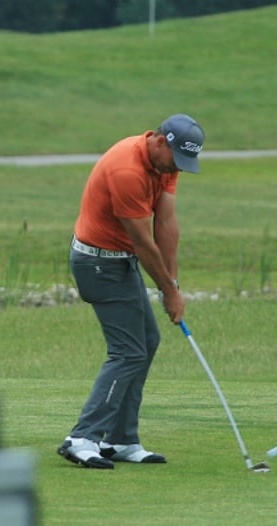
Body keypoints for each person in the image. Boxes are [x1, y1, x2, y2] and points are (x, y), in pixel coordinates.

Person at [57, 114, 204, 469]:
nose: (177, 170)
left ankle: (121, 439)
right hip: (98, 264)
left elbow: (166, 223)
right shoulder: (127, 170)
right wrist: (168, 293)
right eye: (176, 160)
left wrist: (174, 282)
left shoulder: (166, 164)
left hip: (120, 263)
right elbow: (142, 241)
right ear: (159, 141)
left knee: (146, 342)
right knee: (128, 351)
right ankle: (83, 437)